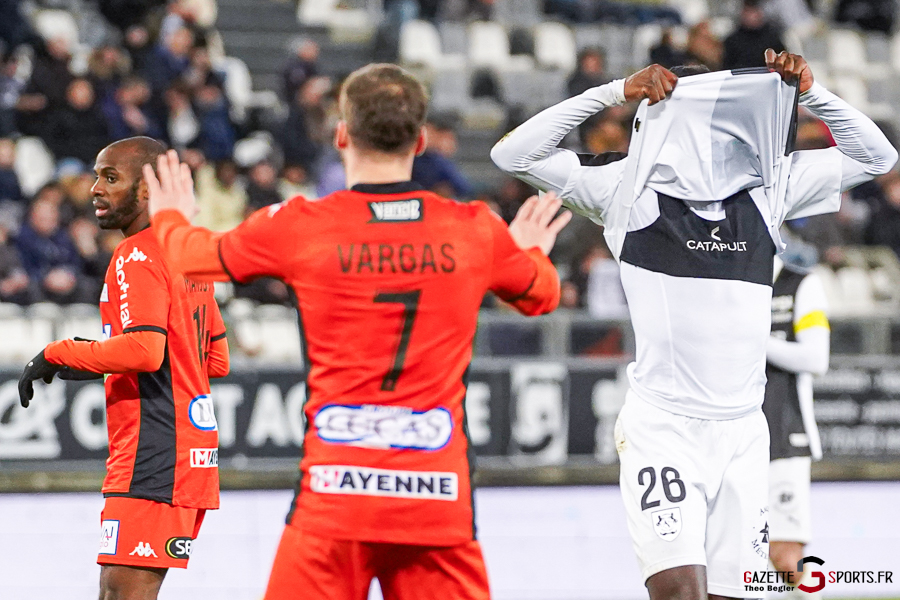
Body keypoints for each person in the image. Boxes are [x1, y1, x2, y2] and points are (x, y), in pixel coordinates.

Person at [145, 63, 570, 599]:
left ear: (342, 134)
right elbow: (541, 296)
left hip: (334, 496)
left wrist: (171, 215)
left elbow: (188, 257)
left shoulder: (302, 225)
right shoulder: (473, 230)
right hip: (437, 501)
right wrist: (528, 250)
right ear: (420, 141)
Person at [491, 50, 897, 600]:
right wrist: (615, 91)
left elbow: (878, 156)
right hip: (665, 429)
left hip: (745, 433)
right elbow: (512, 153)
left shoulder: (768, 187)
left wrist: (812, 94)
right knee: (681, 593)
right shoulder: (625, 187)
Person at [17, 136, 229, 600]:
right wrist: (103, 361)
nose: (95, 188)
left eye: (110, 178)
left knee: (121, 594)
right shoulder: (187, 251)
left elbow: (145, 351)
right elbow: (215, 359)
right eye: (96, 176)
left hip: (153, 454)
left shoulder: (136, 253)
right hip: (190, 456)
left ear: (147, 189)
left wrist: (60, 353)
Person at [763, 253, 829, 594]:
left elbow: (816, 358)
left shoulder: (801, 284)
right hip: (733, 436)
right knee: (735, 555)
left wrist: (752, 339)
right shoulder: (730, 285)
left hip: (786, 434)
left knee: (785, 555)